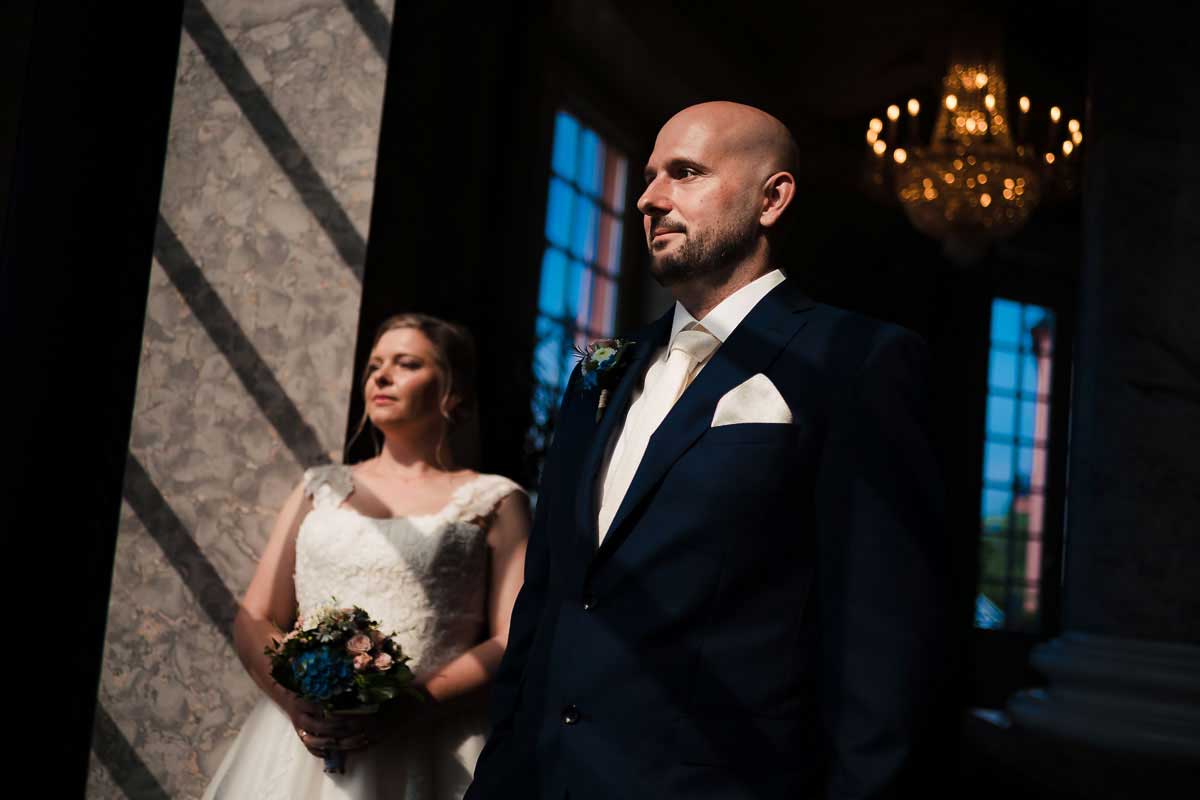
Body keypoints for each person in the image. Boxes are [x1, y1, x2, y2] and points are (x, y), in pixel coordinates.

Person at [466, 102, 950, 799]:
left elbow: (885, 642)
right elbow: (547, 600)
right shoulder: (601, 369)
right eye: (649, 177)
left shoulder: (858, 362)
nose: (648, 198)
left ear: (772, 199)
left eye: (684, 173)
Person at [204, 313, 530, 800]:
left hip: (433, 742)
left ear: (453, 390)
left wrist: (412, 704)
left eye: (406, 363)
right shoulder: (320, 487)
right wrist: (294, 702)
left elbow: (515, 635)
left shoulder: (496, 499)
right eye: (375, 365)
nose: (381, 375)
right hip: (301, 744)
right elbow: (256, 615)